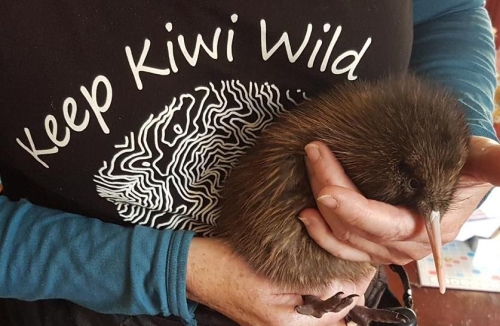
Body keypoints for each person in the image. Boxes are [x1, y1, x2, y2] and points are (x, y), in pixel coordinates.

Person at [0, 1, 499, 325]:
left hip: (334, 295)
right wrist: (172, 271)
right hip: (87, 292)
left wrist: (453, 143)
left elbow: (444, 12)